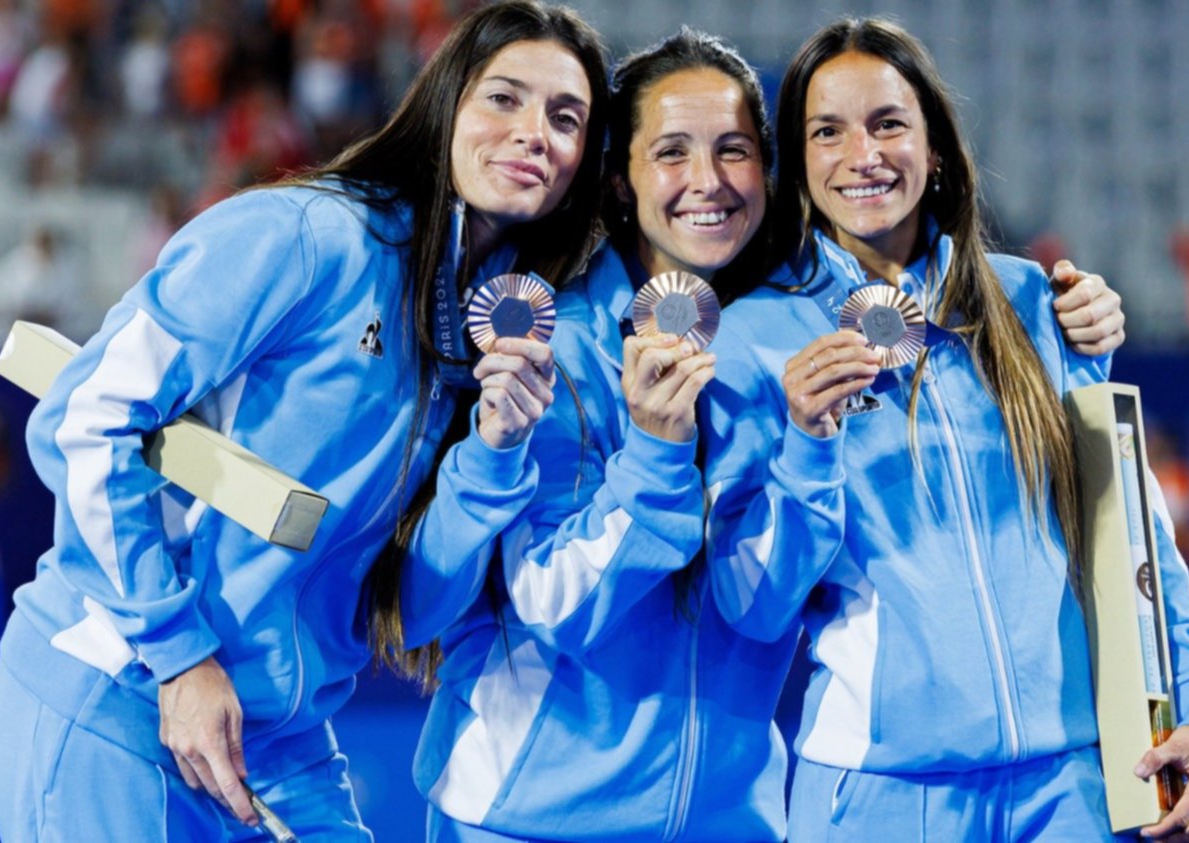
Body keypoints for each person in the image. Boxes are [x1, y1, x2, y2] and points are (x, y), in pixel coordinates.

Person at [380, 27, 1130, 842]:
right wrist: (658, 454)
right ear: (621, 183)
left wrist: (1074, 332)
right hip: (530, 818)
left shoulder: (782, 334)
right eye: (671, 151)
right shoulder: (557, 350)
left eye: (734, 150)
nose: (707, 181)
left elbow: (776, 597)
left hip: (732, 818)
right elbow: (552, 602)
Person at [0, 3, 608, 841]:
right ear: (447, 101)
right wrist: (180, 657)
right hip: (126, 694)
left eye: (565, 118)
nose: (534, 131)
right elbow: (82, 417)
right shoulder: (310, 235)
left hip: (278, 736)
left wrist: (494, 448)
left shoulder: (487, 331)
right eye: (505, 98)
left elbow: (411, 610)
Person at [701, 18, 1189, 843]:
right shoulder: (757, 337)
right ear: (800, 164)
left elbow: (1126, 533)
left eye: (888, 123)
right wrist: (808, 442)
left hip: (1072, 787)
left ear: (937, 146)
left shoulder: (1036, 303)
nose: (862, 153)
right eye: (827, 131)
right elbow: (754, 604)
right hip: (877, 794)